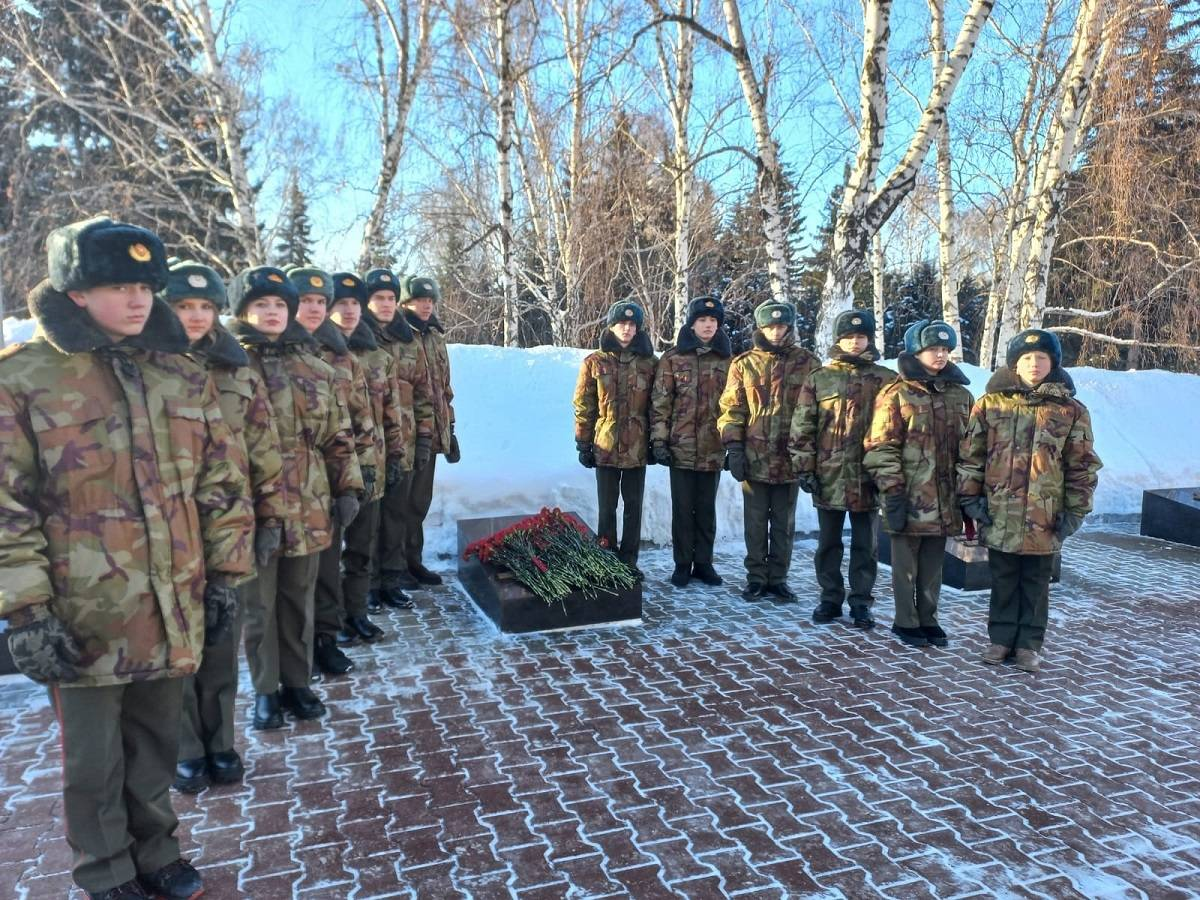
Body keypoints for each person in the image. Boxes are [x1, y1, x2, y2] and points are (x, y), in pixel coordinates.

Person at [0, 217, 253, 900]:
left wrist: (226, 575)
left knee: (155, 743)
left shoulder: (180, 372)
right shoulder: (24, 377)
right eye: (119, 286)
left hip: (173, 599)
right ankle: (105, 869)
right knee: (93, 759)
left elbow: (221, 483)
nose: (139, 300)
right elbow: (6, 504)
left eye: (145, 286)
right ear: (76, 293)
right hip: (81, 611)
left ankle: (158, 852)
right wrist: (26, 611)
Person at [164, 260, 291, 794]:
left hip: (228, 523)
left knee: (221, 637)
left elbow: (264, 448)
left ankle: (221, 742)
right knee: (177, 642)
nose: (195, 316)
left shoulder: (237, 369)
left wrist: (272, 514)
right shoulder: (149, 366)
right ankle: (185, 747)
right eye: (183, 306)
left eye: (204, 307)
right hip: (165, 532)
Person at [229, 266, 361, 727]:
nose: (272, 312)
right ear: (243, 310)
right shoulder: (227, 367)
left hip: (308, 502)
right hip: (250, 505)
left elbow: (338, 435)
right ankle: (265, 690)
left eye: (279, 305)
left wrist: (347, 486)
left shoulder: (315, 368)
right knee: (258, 606)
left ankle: (298, 682)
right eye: (261, 304)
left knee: (297, 599)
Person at [958, 328, 1102, 673]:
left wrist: (1075, 510)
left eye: (1041, 358)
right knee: (1003, 579)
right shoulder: (990, 404)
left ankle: (1029, 645)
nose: (1034, 364)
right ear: (1015, 364)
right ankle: (1000, 639)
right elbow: (971, 456)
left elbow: (1081, 465)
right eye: (1026, 358)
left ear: (1053, 363)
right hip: (1000, 511)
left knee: (1036, 584)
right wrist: (970, 499)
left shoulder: (1070, 410)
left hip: (1045, 516)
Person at [864, 319, 973, 648]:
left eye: (944, 349)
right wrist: (892, 490)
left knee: (933, 565)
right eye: (932, 349)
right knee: (906, 566)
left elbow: (973, 446)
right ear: (916, 352)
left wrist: (970, 489)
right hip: (909, 495)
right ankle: (905, 620)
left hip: (945, 499)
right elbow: (880, 447)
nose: (940, 355)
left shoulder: (961, 396)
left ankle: (928, 618)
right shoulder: (896, 394)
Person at [288, 266, 372, 677]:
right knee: (287, 582)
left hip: (327, 479)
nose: (313, 309)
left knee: (325, 566)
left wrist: (355, 480)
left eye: (320, 302)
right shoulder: (263, 358)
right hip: (279, 486)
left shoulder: (342, 358)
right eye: (305, 300)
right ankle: (290, 659)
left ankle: (326, 637)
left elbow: (356, 423)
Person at [791, 309, 895, 629]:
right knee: (829, 543)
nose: (855, 342)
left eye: (861, 336)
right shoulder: (820, 378)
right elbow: (803, 426)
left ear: (869, 339)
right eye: (849, 337)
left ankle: (861, 602)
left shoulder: (886, 379)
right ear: (839, 339)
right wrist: (804, 467)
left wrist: (888, 474)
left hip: (868, 476)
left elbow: (896, 429)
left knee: (866, 545)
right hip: (830, 474)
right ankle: (830, 598)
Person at [717, 301, 818, 601]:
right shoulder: (744, 364)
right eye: (770, 326)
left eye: (781, 326)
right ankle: (756, 577)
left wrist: (811, 455)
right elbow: (732, 409)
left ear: (789, 327)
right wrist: (734, 447)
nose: (776, 331)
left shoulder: (808, 363)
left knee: (784, 524)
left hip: (791, 458)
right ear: (760, 328)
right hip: (755, 456)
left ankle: (779, 578)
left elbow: (818, 413)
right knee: (756, 522)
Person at [329, 272, 405, 642]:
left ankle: (356, 613)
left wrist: (395, 455)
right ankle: (332, 622)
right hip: (330, 472)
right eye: (340, 303)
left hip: (369, 465)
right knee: (331, 555)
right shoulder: (316, 356)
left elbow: (392, 411)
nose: (349, 311)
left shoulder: (377, 357)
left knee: (362, 546)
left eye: (355, 304)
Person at [361, 268, 434, 607]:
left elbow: (423, 394)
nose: (386, 304)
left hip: (402, 443)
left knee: (395, 516)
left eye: (391, 298)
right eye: (379, 298)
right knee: (368, 522)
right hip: (367, 447)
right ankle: (367, 584)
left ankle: (391, 580)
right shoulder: (357, 340)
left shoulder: (408, 342)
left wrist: (424, 438)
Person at [650, 296, 731, 587]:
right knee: (683, 509)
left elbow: (735, 407)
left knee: (707, 510)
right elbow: (661, 403)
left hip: (713, 447)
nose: (708, 325)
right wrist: (659, 442)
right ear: (692, 324)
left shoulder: (728, 361)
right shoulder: (673, 359)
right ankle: (682, 564)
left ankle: (704, 564)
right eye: (702, 320)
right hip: (680, 447)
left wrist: (733, 445)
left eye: (713, 321)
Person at [574, 300, 658, 578]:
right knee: (607, 508)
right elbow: (584, 405)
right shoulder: (594, 362)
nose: (627, 328)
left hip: (637, 447)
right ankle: (606, 559)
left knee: (633, 507)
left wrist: (656, 442)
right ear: (611, 326)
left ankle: (629, 561)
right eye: (622, 323)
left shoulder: (650, 363)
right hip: (606, 446)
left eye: (632, 324)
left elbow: (658, 406)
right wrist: (583, 443)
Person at [400, 275, 459, 585]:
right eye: (418, 300)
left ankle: (414, 561)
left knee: (420, 502)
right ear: (405, 303)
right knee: (401, 505)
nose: (425, 305)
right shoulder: (399, 336)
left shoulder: (436, 337)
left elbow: (444, 389)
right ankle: (396, 566)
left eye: (430, 300)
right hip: (405, 435)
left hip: (432, 434)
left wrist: (450, 428)